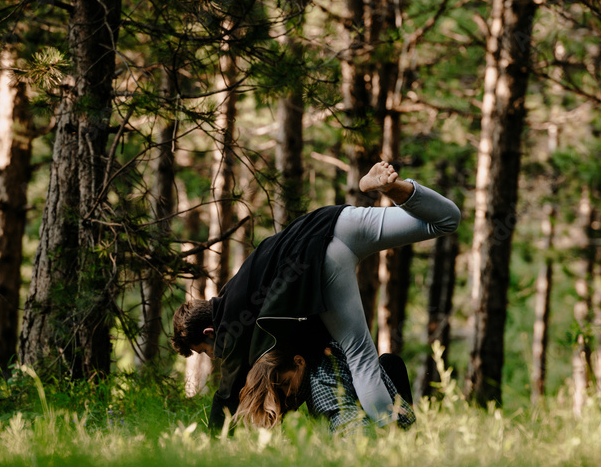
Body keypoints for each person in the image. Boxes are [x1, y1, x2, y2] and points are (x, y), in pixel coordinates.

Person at [171, 162, 460, 431]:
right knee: (446, 220)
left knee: (361, 358)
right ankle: (392, 188)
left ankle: (397, 442)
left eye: (204, 349)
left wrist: (213, 440)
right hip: (333, 220)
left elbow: (227, 393)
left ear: (210, 332)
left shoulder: (229, 322)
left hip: (322, 256)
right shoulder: (238, 287)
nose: (213, 354)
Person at [235, 340, 416, 435]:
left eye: (286, 383)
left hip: (390, 437)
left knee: (390, 362)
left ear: (299, 362)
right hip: (395, 421)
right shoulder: (320, 359)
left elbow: (353, 428)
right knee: (390, 362)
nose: (288, 393)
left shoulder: (321, 387)